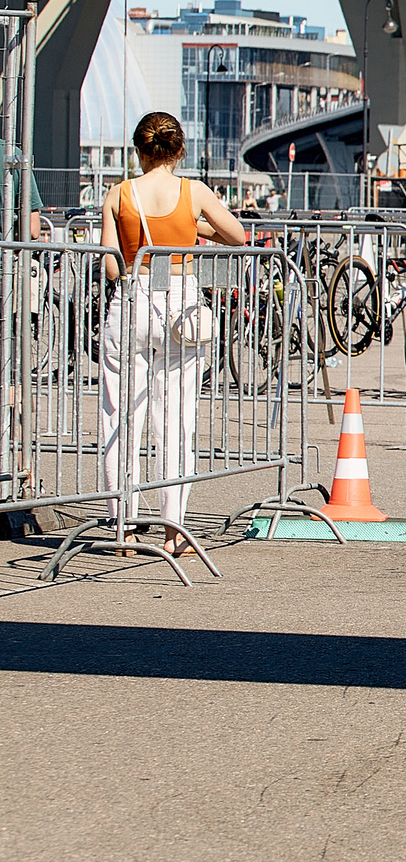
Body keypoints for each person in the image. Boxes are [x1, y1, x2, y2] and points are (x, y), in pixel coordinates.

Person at [100, 112, 247, 557]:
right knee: (176, 420)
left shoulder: (119, 193)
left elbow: (110, 265)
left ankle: (123, 526)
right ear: (179, 149)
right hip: (180, 304)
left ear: (139, 151)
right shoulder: (193, 191)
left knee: (120, 417)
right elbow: (237, 235)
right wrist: (196, 226)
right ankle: (173, 529)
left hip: (132, 301)